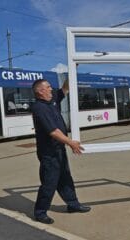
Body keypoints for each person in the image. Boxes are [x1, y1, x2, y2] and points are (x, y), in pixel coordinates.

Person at [31, 78, 91, 224]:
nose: (51, 89)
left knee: (65, 178)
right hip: (49, 153)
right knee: (49, 183)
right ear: (40, 91)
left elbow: (65, 89)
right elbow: (53, 131)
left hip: (59, 149)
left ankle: (73, 204)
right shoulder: (39, 108)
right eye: (48, 87)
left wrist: (71, 72)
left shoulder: (52, 101)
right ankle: (40, 213)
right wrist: (71, 143)